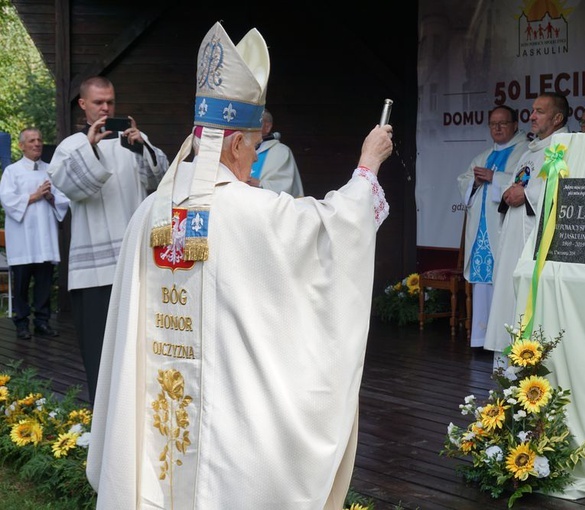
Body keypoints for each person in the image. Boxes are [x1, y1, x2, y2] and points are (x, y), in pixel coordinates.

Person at [86, 22, 392, 510]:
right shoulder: (252, 211)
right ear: (233, 145)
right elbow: (335, 229)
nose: (253, 161)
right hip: (222, 425)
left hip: (157, 412)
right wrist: (367, 165)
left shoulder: (152, 211)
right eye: (251, 148)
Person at [47, 76, 169, 401]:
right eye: (99, 102)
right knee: (99, 353)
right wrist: (90, 146)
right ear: (83, 104)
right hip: (94, 273)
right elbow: (72, 186)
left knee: (137, 346)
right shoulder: (72, 147)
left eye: (110, 102)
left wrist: (142, 144)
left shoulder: (132, 142)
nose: (105, 108)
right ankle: (101, 417)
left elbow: (160, 179)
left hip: (133, 264)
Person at [485, 92, 570, 363]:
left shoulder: (564, 149)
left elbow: (564, 193)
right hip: (512, 245)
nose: (531, 116)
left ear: (557, 118)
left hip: (535, 250)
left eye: (539, 111)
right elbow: (519, 183)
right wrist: (511, 191)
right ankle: (506, 372)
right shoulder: (531, 151)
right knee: (508, 305)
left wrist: (527, 196)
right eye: (532, 110)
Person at [457, 106, 528, 348]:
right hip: (482, 230)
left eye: (503, 123)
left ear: (515, 125)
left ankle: (503, 339)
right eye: (493, 124)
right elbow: (464, 182)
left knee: (504, 282)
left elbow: (524, 181)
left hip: (504, 228)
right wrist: (475, 182)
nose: (497, 128)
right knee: (482, 284)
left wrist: (494, 178)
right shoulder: (483, 156)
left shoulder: (525, 152)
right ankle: (481, 338)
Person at [0, 128, 70, 339]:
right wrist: (35, 195)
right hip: (22, 237)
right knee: (21, 284)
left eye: (39, 139)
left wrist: (49, 197)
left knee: (44, 283)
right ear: (22, 146)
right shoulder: (12, 171)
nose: (37, 143)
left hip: (44, 237)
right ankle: (21, 323)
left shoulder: (51, 170)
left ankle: (42, 322)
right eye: (31, 141)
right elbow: (7, 201)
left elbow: (63, 201)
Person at [247, 108, 305, 196]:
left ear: (267, 127)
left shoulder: (281, 152)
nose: (250, 127)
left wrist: (260, 184)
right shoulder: (241, 148)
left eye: (256, 122)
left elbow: (286, 186)